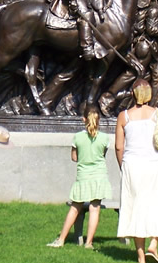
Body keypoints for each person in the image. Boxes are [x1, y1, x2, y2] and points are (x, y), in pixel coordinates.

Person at [115, 79, 158, 263]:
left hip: (132, 164)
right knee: (157, 204)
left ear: (133, 93)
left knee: (134, 207)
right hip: (154, 164)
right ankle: (154, 244)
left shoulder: (123, 116)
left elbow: (119, 147)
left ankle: (141, 258)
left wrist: (123, 166)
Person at [47, 104, 111, 249]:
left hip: (83, 176)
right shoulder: (105, 138)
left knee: (75, 207)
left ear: (83, 119)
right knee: (95, 209)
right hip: (99, 176)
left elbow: (74, 157)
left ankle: (61, 240)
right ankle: (89, 243)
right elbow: (103, 156)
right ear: (98, 120)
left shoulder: (77, 137)